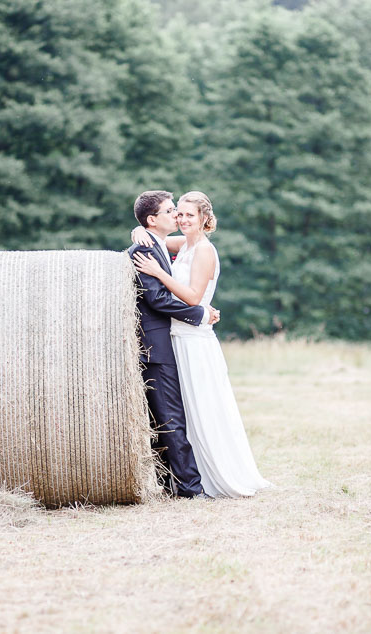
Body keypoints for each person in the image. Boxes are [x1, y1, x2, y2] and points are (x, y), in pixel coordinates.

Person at [131, 191, 271, 498]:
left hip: (194, 339)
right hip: (176, 337)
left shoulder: (205, 249)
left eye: (188, 215)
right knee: (187, 411)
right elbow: (153, 239)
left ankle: (215, 474)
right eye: (178, 213)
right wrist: (138, 228)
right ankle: (192, 477)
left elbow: (193, 297)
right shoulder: (185, 243)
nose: (181, 219)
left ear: (204, 219)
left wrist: (157, 273)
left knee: (204, 406)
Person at [128, 190, 219, 499]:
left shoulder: (163, 245)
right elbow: (156, 298)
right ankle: (189, 489)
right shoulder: (145, 250)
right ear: (154, 219)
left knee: (174, 415)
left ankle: (177, 485)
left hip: (176, 340)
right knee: (170, 417)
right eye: (172, 212)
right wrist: (198, 313)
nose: (178, 217)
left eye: (182, 213)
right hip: (159, 344)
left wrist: (142, 228)